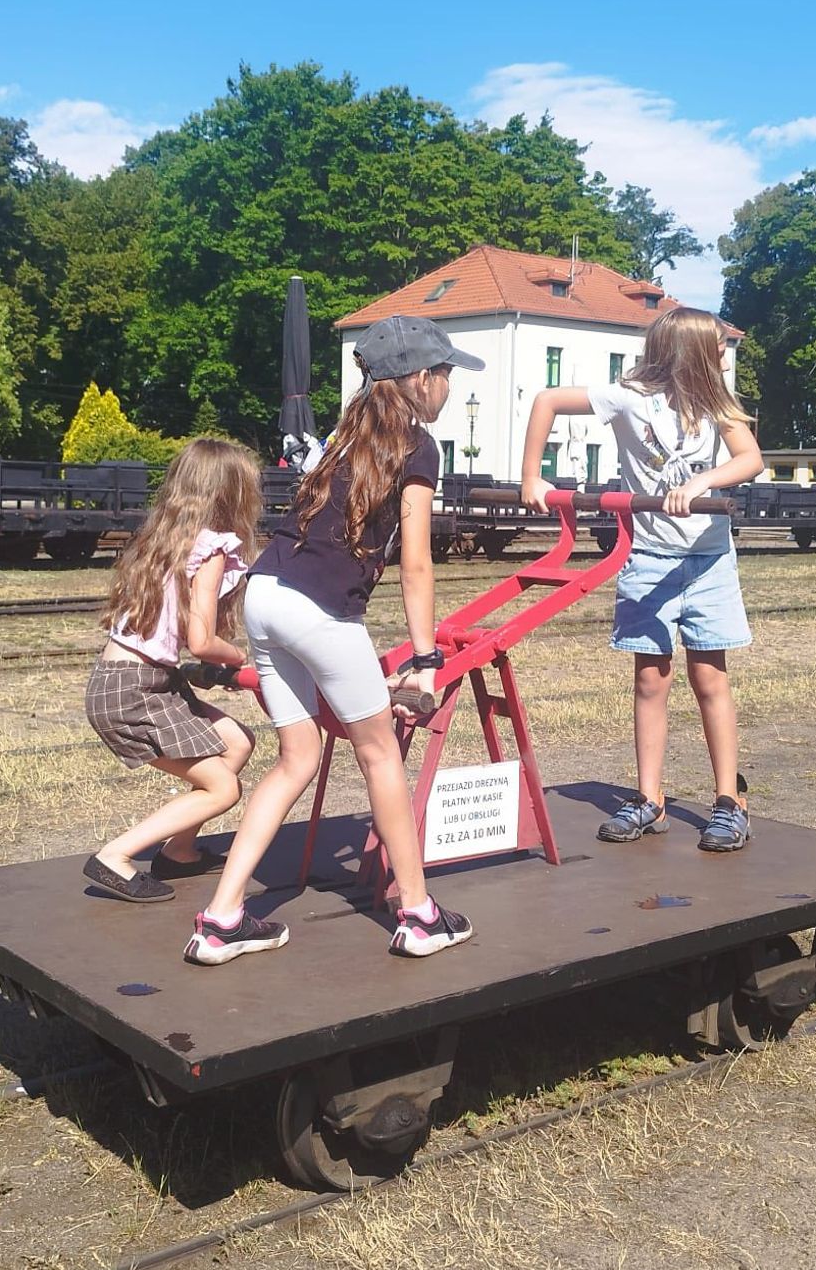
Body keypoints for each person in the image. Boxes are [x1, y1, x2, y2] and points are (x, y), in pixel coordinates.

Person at [185, 314, 486, 966]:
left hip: (265, 594)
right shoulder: (418, 447)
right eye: (446, 374)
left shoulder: (345, 437)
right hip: (319, 612)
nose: (449, 387)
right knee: (380, 757)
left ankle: (221, 919)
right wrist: (426, 658)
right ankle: (418, 914)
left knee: (297, 757)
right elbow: (416, 563)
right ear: (420, 378)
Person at [519, 307, 764, 853]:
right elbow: (547, 400)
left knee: (709, 678)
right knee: (651, 680)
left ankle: (729, 801)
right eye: (718, 349)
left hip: (707, 560)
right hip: (650, 557)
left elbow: (750, 458)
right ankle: (650, 800)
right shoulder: (628, 398)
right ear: (691, 353)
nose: (726, 359)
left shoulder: (717, 402)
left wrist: (702, 480)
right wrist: (532, 475)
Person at [83, 439, 262, 903]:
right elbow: (201, 640)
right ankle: (115, 856)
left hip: (130, 680)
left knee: (237, 741)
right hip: (136, 690)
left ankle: (179, 851)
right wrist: (237, 657)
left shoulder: (163, 537)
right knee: (224, 789)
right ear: (234, 495)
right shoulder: (213, 547)